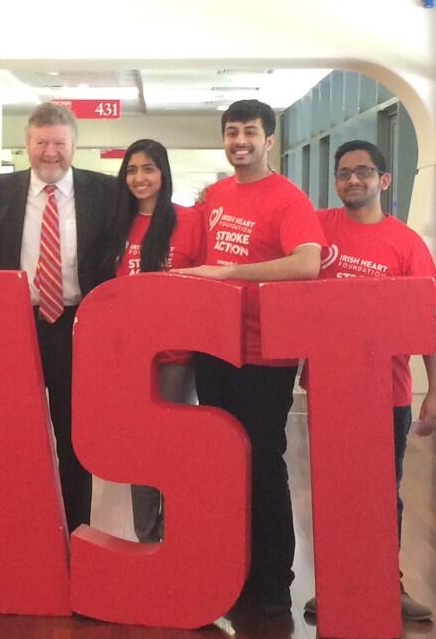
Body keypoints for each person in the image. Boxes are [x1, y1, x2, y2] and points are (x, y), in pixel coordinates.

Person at [176, 99, 325, 615]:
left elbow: (307, 264)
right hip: (214, 347)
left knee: (262, 458)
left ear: (269, 140)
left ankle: (272, 576)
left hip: (264, 355)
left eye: (250, 132)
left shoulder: (288, 198)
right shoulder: (216, 195)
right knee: (223, 458)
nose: (240, 141)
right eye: (232, 132)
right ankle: (229, 566)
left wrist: (228, 274)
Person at [303, 139, 436, 622]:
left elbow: (428, 320)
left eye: (363, 171)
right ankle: (336, 586)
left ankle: (387, 584)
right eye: (344, 173)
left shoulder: (406, 243)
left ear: (383, 180)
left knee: (384, 494)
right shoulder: (317, 229)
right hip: (328, 391)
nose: (353, 180)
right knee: (334, 492)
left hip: (388, 392)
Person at [0, 102, 114, 532]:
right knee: (15, 439)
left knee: (75, 438)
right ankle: (21, 536)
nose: (51, 152)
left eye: (59, 143)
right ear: (27, 144)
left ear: (75, 145)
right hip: (16, 325)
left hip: (78, 327)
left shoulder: (105, 192)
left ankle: (76, 534)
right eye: (42, 142)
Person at [102, 139, 203, 543]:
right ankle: (148, 536)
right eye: (131, 170)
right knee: (140, 449)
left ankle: (177, 535)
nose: (139, 178)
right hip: (130, 357)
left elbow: (206, 286)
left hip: (176, 356)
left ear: (164, 173)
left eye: (148, 168)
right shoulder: (116, 224)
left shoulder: (189, 221)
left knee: (172, 446)